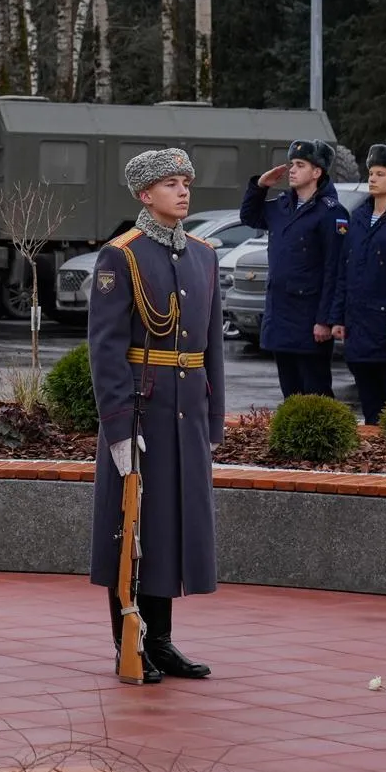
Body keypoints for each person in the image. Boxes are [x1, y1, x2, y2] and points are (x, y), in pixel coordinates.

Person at [88, 148, 224, 683]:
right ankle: (130, 640)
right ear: (146, 195)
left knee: (171, 527)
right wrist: (118, 428)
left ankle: (162, 640)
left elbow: (211, 347)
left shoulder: (203, 255)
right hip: (142, 414)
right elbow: (106, 348)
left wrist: (213, 421)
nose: (184, 191)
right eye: (171, 184)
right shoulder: (120, 257)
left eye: (186, 182)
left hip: (185, 414)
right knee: (132, 527)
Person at [240, 140, 344, 399]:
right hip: (281, 312)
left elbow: (335, 269)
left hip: (310, 316)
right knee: (290, 390)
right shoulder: (282, 206)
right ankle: (294, 440)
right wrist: (260, 186)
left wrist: (325, 320)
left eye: (300, 165)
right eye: (292, 165)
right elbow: (249, 216)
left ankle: (322, 439)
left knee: (316, 390)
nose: (292, 171)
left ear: (317, 172)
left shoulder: (330, 212)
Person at [329, 144, 386, 424]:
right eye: (371, 173)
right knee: (369, 404)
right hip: (359, 326)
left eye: (380, 173)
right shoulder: (358, 219)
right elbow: (344, 271)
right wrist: (338, 316)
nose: (372, 178)